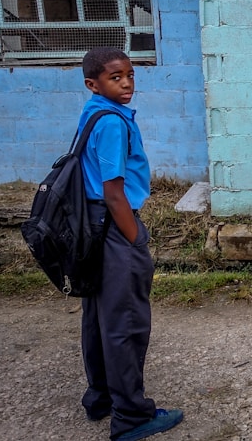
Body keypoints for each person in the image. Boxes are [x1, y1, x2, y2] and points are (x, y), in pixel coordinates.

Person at [77, 47, 183, 441]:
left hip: (92, 227)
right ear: (93, 84)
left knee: (100, 318)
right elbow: (114, 192)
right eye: (115, 78)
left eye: (130, 76)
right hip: (114, 229)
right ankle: (131, 417)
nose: (126, 84)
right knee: (126, 323)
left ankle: (101, 397)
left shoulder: (94, 112)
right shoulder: (111, 124)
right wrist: (136, 238)